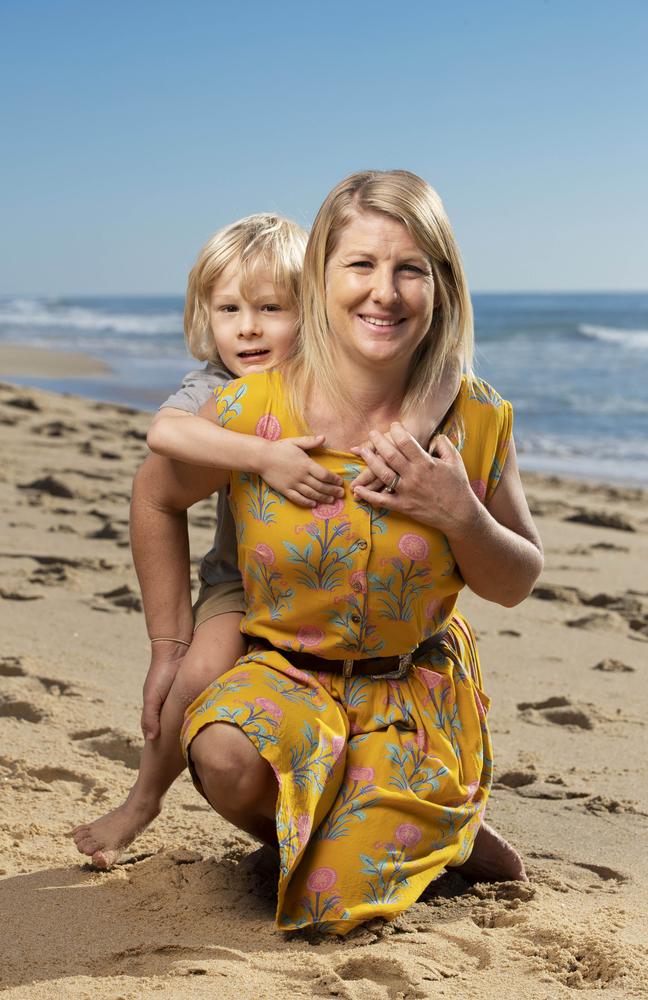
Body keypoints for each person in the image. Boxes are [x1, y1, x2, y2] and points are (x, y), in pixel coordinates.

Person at [128, 169, 544, 935]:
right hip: (287, 677)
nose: (383, 291)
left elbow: (517, 578)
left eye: (409, 268)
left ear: (442, 286)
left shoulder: (477, 418)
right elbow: (154, 495)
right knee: (221, 751)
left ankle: (409, 831)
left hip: (407, 693)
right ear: (320, 276)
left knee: (328, 911)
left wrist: (461, 516)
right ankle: (355, 830)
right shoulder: (246, 410)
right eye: (361, 265)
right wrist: (169, 642)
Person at [72, 210, 461, 867]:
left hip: (344, 606)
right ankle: (143, 799)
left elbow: (446, 365)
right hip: (242, 587)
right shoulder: (217, 387)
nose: (247, 327)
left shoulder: (341, 374)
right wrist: (264, 456)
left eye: (271, 308)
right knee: (194, 674)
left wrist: (416, 428)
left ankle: (418, 832)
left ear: (313, 307)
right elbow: (164, 437)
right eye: (227, 309)